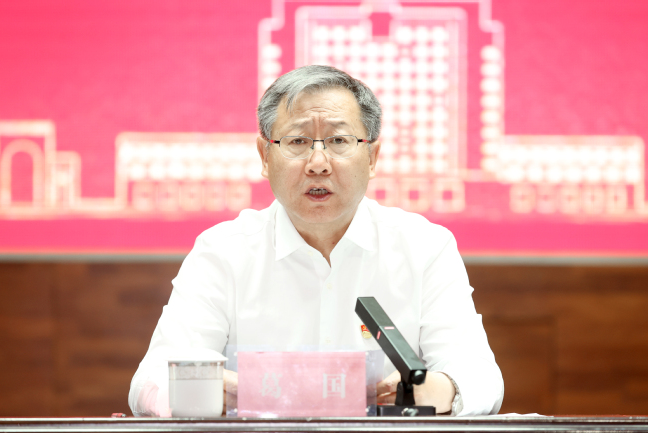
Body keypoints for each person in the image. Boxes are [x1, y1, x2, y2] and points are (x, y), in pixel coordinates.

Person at [129, 65, 504, 417]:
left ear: (372, 157)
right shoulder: (222, 252)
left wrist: (439, 390)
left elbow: (480, 378)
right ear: (265, 156)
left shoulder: (425, 247)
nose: (318, 163)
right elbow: (149, 383)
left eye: (339, 140)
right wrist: (208, 390)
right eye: (297, 141)